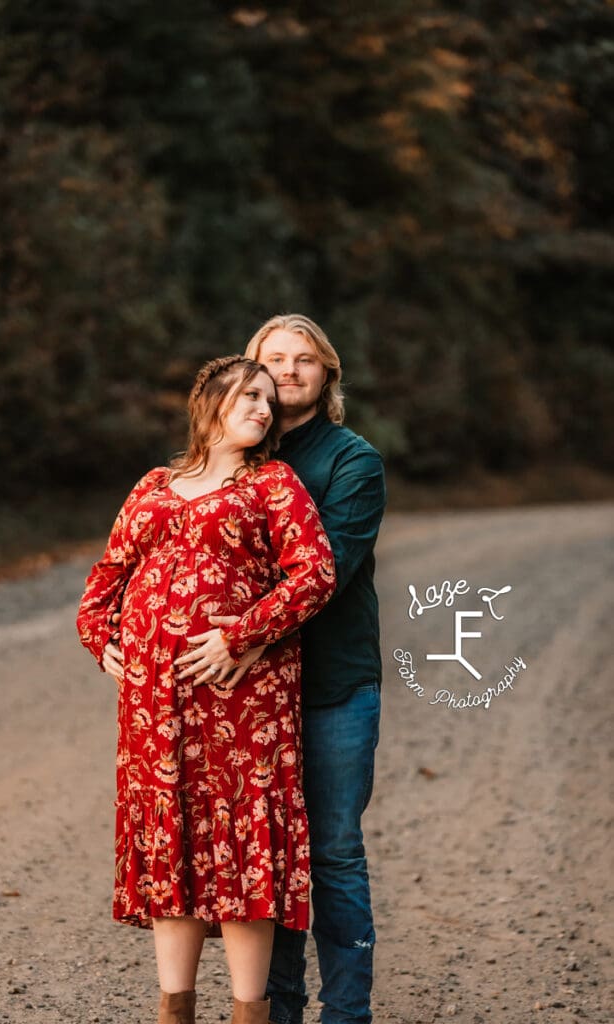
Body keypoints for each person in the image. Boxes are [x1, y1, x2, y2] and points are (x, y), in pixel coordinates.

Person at [76, 355, 336, 1024]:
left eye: (268, 402)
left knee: (243, 852)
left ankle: (250, 1013)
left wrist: (240, 636)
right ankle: (175, 1011)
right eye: (247, 395)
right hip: (154, 707)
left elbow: (312, 576)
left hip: (244, 700)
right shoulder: (154, 485)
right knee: (173, 848)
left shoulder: (273, 484)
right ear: (209, 403)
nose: (261, 408)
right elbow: (103, 583)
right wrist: (101, 641)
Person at [246, 316, 386, 1024]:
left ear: (326, 374)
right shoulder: (231, 456)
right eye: (276, 359)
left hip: (332, 688)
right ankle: (277, 1012)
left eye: (305, 360)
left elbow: (319, 574)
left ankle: (346, 1013)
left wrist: (225, 619)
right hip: (246, 695)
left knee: (330, 852)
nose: (291, 370)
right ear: (254, 372)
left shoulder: (351, 461)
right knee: (267, 857)